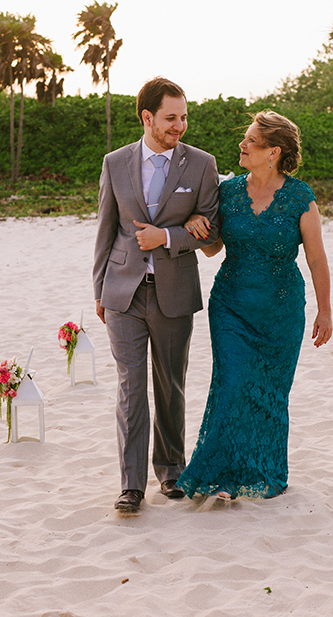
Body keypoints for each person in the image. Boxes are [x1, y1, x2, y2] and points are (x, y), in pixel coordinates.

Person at [176, 111, 332, 501]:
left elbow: (316, 258)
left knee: (269, 394)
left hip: (281, 311)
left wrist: (324, 310)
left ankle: (261, 472)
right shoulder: (227, 193)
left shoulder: (300, 197)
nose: (241, 146)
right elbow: (212, 249)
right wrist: (198, 223)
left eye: (250, 141)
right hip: (230, 306)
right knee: (232, 385)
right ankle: (223, 477)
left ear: (273, 152)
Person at [93, 77, 221, 513]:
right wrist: (99, 291)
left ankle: (171, 472)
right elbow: (105, 229)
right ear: (147, 118)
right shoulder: (114, 163)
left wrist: (166, 237)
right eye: (171, 118)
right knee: (131, 388)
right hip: (122, 292)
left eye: (184, 116)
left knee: (171, 385)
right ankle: (131, 485)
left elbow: (211, 232)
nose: (180, 125)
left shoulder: (203, 165)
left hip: (174, 293)